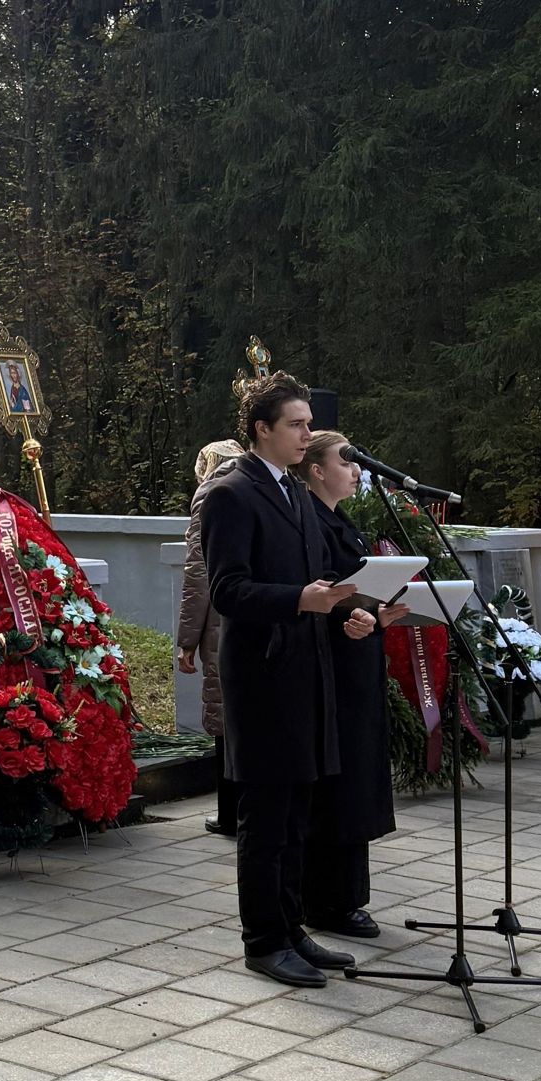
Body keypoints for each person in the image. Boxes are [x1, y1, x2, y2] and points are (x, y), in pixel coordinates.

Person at [198, 372, 357, 989]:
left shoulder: (293, 492)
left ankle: (292, 929)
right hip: (262, 674)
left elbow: (324, 574)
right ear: (261, 429)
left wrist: (357, 610)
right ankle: (263, 940)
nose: (307, 434)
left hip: (305, 668)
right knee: (266, 817)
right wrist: (299, 601)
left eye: (308, 423)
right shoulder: (231, 496)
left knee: (297, 812)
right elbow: (227, 590)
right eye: (296, 424)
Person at [299, 431, 407, 938]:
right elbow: (320, 592)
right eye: (346, 461)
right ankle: (328, 902)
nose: (357, 469)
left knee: (357, 770)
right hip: (331, 662)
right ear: (317, 470)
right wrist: (362, 609)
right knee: (338, 779)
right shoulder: (310, 522)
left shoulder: (339, 519)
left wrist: (381, 610)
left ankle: (345, 895)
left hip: (357, 656)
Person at [176, 438, 245, 836]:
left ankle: (229, 812)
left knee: (224, 716)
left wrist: (187, 640)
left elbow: (197, 575)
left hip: (222, 619)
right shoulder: (267, 483)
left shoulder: (211, 492)